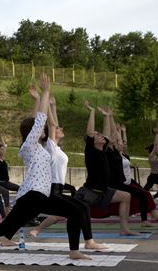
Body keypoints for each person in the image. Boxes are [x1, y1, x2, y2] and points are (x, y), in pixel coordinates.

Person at [0, 75, 91, 260]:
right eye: (39, 130)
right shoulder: (29, 146)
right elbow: (38, 121)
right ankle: (74, 251)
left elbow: (34, 121)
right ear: (31, 133)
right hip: (34, 195)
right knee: (76, 210)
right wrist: (46, 92)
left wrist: (38, 100)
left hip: (34, 197)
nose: (44, 131)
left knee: (5, 228)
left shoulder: (38, 147)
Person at [28, 97, 106, 250]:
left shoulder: (56, 149)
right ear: (51, 134)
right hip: (51, 189)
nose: (61, 129)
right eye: (59, 129)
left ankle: (87, 242)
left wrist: (54, 106)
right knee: (79, 208)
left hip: (57, 189)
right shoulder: (49, 147)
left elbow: (54, 124)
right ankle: (87, 242)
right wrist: (46, 101)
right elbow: (52, 124)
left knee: (81, 208)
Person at [73, 102, 137, 236]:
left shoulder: (103, 150)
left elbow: (107, 134)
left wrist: (107, 116)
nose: (101, 136)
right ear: (92, 140)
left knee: (126, 196)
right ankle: (39, 228)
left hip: (103, 192)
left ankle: (124, 229)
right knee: (66, 213)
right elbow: (90, 132)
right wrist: (91, 111)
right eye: (98, 135)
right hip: (89, 193)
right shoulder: (91, 151)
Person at [0, 130, 20, 194]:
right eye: (1, 149)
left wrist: (1, 137)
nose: (3, 150)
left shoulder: (2, 158)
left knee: (18, 189)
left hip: (5, 182)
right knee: (6, 192)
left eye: (2, 149)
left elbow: (4, 146)